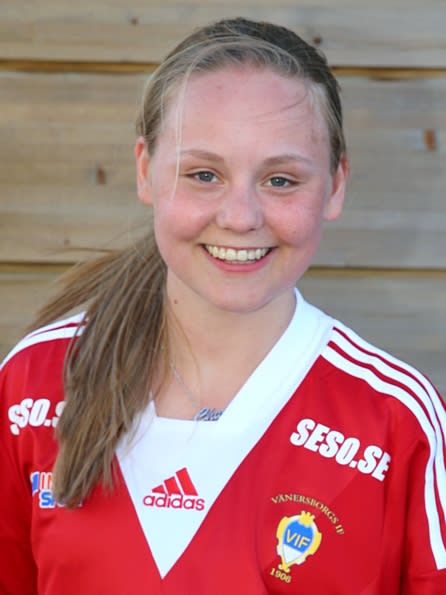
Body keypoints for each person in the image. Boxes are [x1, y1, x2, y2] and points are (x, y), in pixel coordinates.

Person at [0, 17, 445, 594]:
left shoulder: (395, 422)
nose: (240, 217)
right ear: (146, 171)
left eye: (280, 180)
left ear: (335, 185)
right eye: (204, 174)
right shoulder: (32, 384)